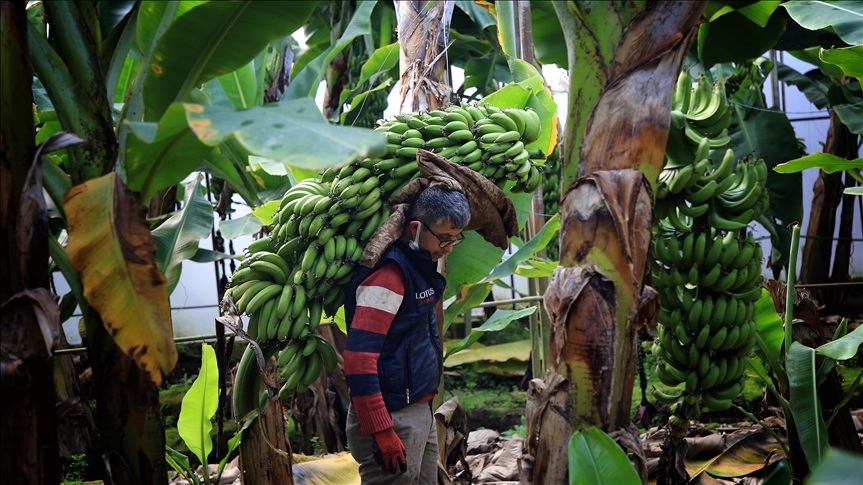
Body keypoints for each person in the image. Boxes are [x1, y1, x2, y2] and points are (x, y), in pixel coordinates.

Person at [343, 186, 471, 484]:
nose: (449, 247)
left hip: (417, 410)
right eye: (444, 238)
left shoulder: (418, 266)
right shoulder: (389, 277)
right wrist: (382, 430)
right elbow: (358, 359)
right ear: (415, 228)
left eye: (455, 238)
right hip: (392, 417)